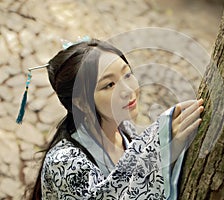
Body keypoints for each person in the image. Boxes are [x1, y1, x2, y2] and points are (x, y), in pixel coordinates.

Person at [28, 38, 204, 199]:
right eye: (109, 85)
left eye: (127, 74)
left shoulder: (126, 130)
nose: (128, 89)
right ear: (81, 102)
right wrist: (161, 148)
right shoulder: (65, 163)